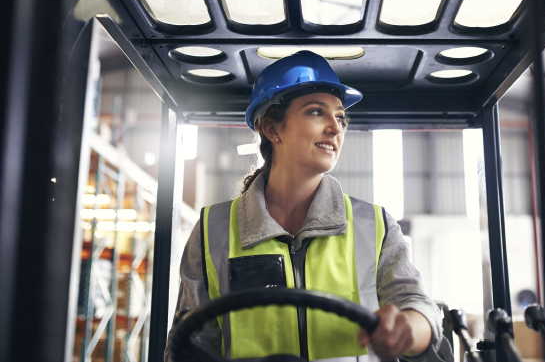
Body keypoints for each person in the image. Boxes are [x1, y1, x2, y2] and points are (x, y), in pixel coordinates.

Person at [165, 51, 452, 362]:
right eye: (316, 112)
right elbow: (191, 346)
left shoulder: (375, 225)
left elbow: (416, 305)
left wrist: (411, 326)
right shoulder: (213, 230)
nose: (335, 128)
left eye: (341, 117)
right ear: (273, 129)